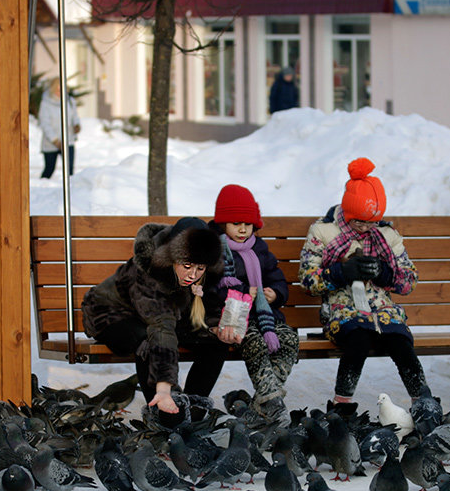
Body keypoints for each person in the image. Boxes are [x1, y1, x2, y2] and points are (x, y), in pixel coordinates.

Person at [81, 217, 239, 428]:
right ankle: (162, 413)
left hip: (169, 314)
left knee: (215, 342)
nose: (193, 275)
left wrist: (216, 327)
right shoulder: (149, 274)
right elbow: (160, 328)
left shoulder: (204, 270)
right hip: (112, 314)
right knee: (147, 340)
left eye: (200, 268)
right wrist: (164, 388)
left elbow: (207, 307)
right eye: (187, 266)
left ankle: (192, 406)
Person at [298, 157, 428, 405]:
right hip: (341, 310)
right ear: (347, 213)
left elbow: (409, 281)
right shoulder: (323, 232)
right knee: (358, 338)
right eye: (359, 220)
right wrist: (340, 272)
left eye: (372, 221)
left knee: (400, 340)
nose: (366, 228)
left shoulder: (386, 235)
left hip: (383, 311)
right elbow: (306, 280)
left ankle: (423, 401)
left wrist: (384, 273)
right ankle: (342, 405)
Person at [209, 184, 300, 424]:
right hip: (235, 318)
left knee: (289, 339)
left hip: (265, 316)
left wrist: (275, 294)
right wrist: (243, 293)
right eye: (236, 223)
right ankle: (272, 402)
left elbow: (276, 278)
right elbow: (212, 290)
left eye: (247, 224)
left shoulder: (259, 250)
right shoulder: (214, 250)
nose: (242, 229)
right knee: (255, 343)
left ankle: (262, 403)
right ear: (223, 223)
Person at [38, 77, 81, 179]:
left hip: (68, 141)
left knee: (69, 170)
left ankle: (70, 191)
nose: (60, 92)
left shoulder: (70, 101)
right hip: (51, 143)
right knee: (49, 169)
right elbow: (45, 124)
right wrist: (55, 141)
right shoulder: (46, 104)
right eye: (57, 89)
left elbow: (75, 116)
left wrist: (77, 125)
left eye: (62, 89)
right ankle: (41, 189)